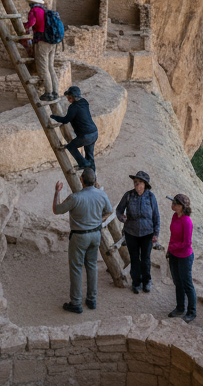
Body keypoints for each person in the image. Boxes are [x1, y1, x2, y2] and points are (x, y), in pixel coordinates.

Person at [52, 168, 113, 314]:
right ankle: (92, 300)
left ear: (81, 180)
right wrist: (98, 221)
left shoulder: (75, 197)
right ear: (95, 180)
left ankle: (76, 302)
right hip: (95, 234)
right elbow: (109, 211)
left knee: (76, 268)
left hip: (79, 236)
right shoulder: (101, 194)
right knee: (92, 266)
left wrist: (57, 192)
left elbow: (57, 210)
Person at [116, 171, 160, 294]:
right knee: (134, 258)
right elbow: (119, 210)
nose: (136, 184)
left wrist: (156, 233)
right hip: (131, 232)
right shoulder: (128, 195)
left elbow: (156, 216)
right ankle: (136, 282)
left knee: (145, 258)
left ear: (144, 184)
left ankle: (147, 281)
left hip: (147, 233)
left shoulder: (151, 197)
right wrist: (121, 217)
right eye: (135, 182)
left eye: (139, 182)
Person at [22, 0, 60, 102]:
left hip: (42, 42)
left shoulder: (34, 10)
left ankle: (48, 93)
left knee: (43, 68)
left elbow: (31, 23)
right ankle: (55, 91)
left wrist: (25, 26)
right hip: (52, 42)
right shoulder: (45, 10)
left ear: (31, 2)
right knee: (50, 67)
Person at [165, 193, 196, 323]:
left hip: (184, 257)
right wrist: (169, 249)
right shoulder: (174, 216)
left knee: (187, 284)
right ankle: (180, 307)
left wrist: (172, 247)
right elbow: (173, 235)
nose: (172, 205)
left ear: (181, 207)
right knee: (178, 282)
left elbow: (186, 243)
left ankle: (192, 312)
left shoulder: (187, 222)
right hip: (174, 254)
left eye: (174, 204)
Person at [51, 85, 98, 169]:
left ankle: (83, 163)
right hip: (94, 132)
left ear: (71, 97)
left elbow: (65, 120)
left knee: (70, 146)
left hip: (86, 135)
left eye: (68, 97)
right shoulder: (84, 102)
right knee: (90, 158)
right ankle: (92, 177)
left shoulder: (73, 107)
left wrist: (54, 117)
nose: (68, 100)